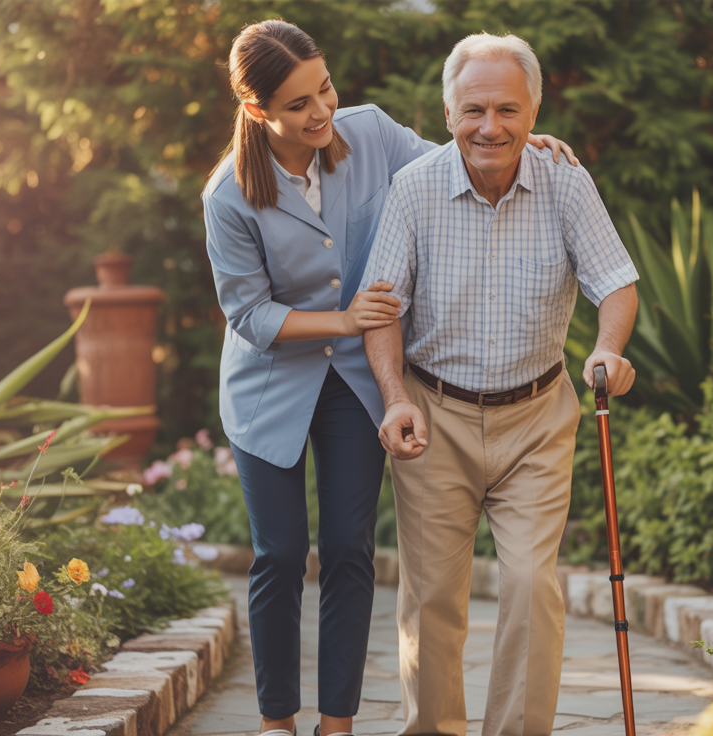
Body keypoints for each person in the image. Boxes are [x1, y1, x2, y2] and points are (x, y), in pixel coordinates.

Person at [202, 20, 576, 736]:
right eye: (299, 104)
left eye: (326, 89)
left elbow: (454, 163)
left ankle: (337, 722)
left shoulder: (370, 132)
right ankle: (277, 720)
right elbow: (248, 314)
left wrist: (520, 143)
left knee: (350, 550)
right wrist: (344, 318)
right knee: (280, 554)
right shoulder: (228, 196)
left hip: (354, 383)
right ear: (257, 110)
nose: (322, 111)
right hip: (269, 388)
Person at [359, 32, 640, 736]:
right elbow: (382, 308)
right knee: (432, 598)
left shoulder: (566, 182)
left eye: (509, 110)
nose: (491, 126)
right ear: (448, 113)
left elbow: (616, 282)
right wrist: (395, 398)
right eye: (475, 110)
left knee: (530, 585)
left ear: (534, 111)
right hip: (435, 414)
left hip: (537, 416)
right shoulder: (414, 188)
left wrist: (608, 350)